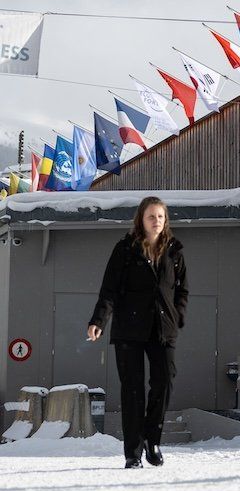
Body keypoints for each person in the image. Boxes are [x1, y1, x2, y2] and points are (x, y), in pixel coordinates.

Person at [86, 196, 188, 469]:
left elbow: (182, 291)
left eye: (161, 217)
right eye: (151, 216)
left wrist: (178, 316)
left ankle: (152, 441)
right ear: (141, 220)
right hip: (129, 329)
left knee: (164, 382)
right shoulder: (125, 250)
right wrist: (98, 320)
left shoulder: (174, 251)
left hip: (163, 328)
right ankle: (133, 452)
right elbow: (109, 289)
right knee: (133, 392)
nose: (157, 221)